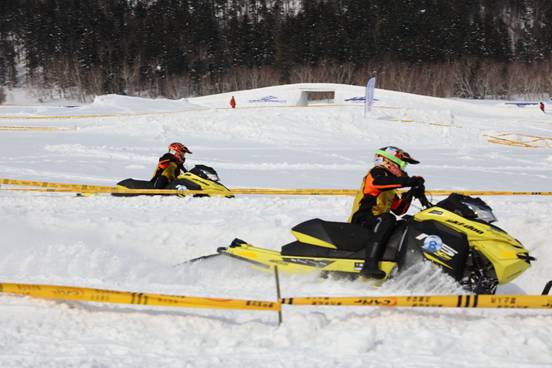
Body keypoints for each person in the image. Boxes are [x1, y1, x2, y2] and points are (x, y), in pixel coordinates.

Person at [349, 146, 425, 279]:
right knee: (387, 219)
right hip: (362, 218)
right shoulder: (376, 173)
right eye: (402, 164)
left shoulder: (390, 188)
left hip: (376, 221)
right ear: (388, 161)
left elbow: (399, 209)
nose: (403, 168)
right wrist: (408, 181)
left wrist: (411, 194)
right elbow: (380, 182)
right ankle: (369, 265)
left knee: (405, 223)